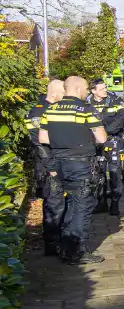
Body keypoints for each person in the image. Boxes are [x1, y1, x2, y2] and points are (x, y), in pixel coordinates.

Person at [40, 76, 107, 264]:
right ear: (78, 89)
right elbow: (101, 138)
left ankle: (65, 246)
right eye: (86, 88)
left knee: (68, 205)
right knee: (81, 206)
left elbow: (43, 138)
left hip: (58, 164)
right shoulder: (86, 110)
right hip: (80, 165)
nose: (87, 91)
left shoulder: (50, 110)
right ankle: (76, 251)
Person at [26, 80, 66, 256]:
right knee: (53, 204)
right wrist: (51, 167)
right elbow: (38, 143)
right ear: (56, 93)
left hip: (59, 162)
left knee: (60, 202)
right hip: (48, 165)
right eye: (63, 93)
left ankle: (62, 239)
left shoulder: (57, 109)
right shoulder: (38, 111)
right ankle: (51, 244)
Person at [87, 78, 124, 216]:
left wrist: (107, 131)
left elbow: (123, 116)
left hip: (113, 141)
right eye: (102, 88)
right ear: (93, 91)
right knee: (98, 173)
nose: (105, 90)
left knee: (115, 172)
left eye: (105, 87)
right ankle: (101, 202)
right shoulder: (86, 103)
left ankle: (115, 203)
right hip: (95, 143)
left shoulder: (115, 100)